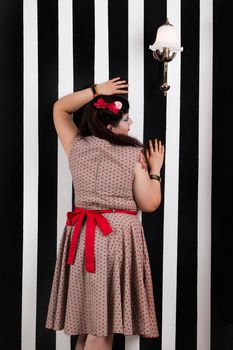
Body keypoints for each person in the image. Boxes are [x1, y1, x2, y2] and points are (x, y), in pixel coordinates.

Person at [45, 77, 165, 350]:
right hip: (114, 239)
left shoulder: (76, 145)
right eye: (126, 119)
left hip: (82, 234)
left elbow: (60, 109)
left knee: (89, 327)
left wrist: (97, 90)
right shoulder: (133, 154)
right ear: (110, 125)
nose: (131, 123)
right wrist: (155, 169)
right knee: (103, 329)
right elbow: (150, 203)